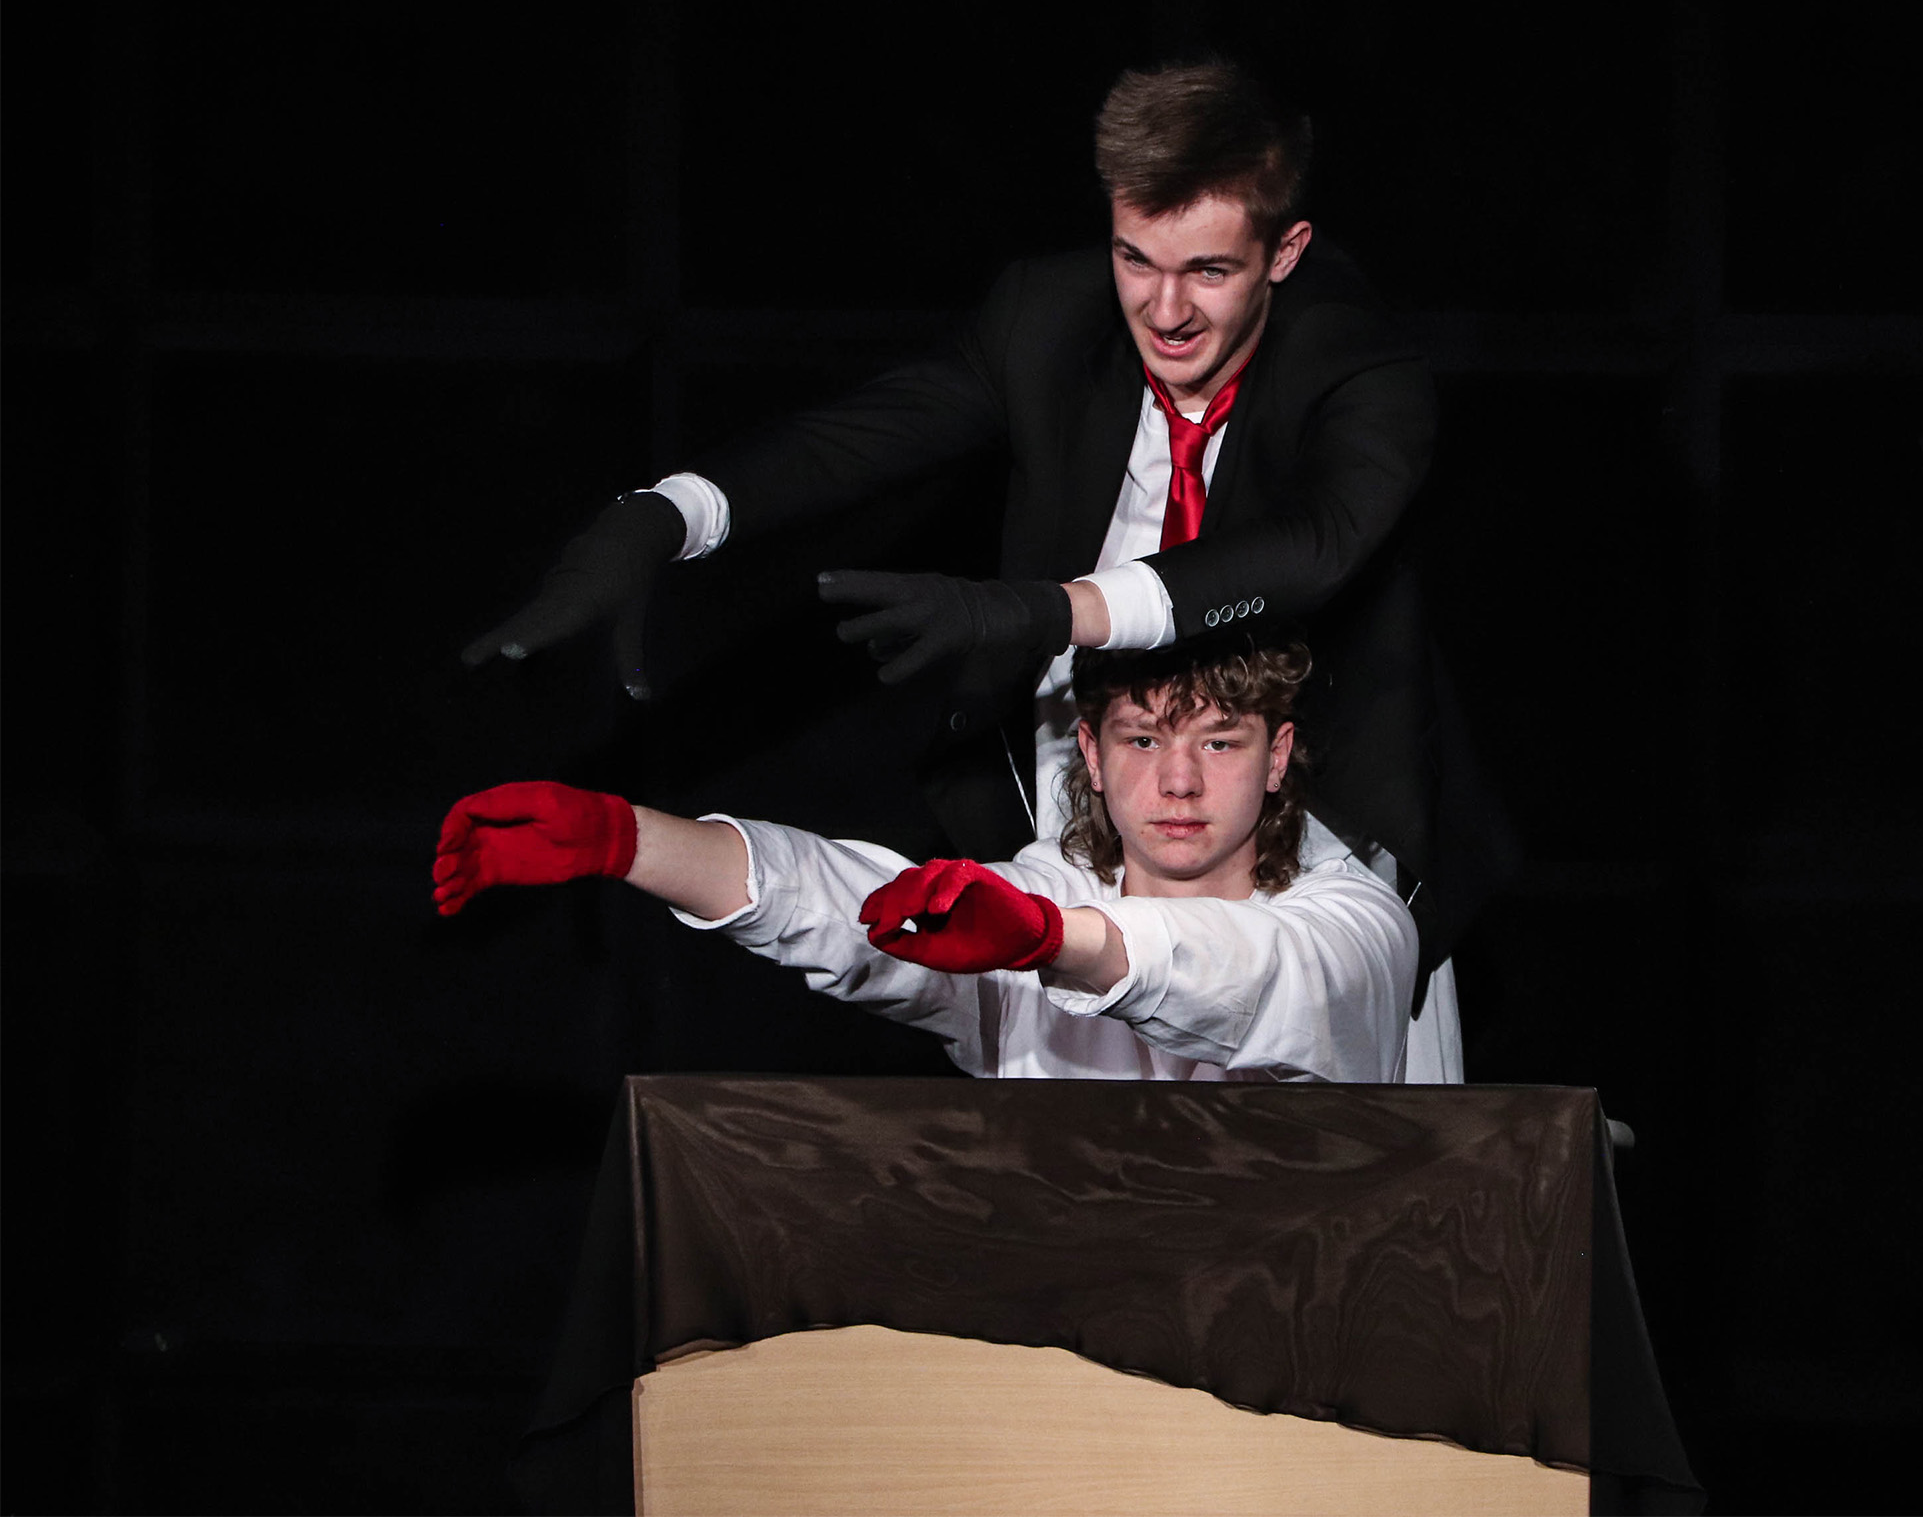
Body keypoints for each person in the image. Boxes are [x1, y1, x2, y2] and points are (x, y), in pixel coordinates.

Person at [461, 59, 1509, 1061]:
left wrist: (1051, 612)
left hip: (1310, 844)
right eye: (1135, 260)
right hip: (1085, 839)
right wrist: (662, 516)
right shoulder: (1046, 319)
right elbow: (868, 437)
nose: (1166, 310)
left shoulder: (1354, 356)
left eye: (1209, 270)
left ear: (1285, 252)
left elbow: (1317, 547)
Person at [433, 639, 1433, 1083]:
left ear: (1278, 757)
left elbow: (1253, 973)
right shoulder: (1045, 892)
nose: (1178, 781)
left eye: (1218, 741)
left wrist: (1053, 943)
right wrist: (629, 839)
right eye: (1141, 739)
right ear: (1088, 755)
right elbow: (850, 909)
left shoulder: (1359, 922)